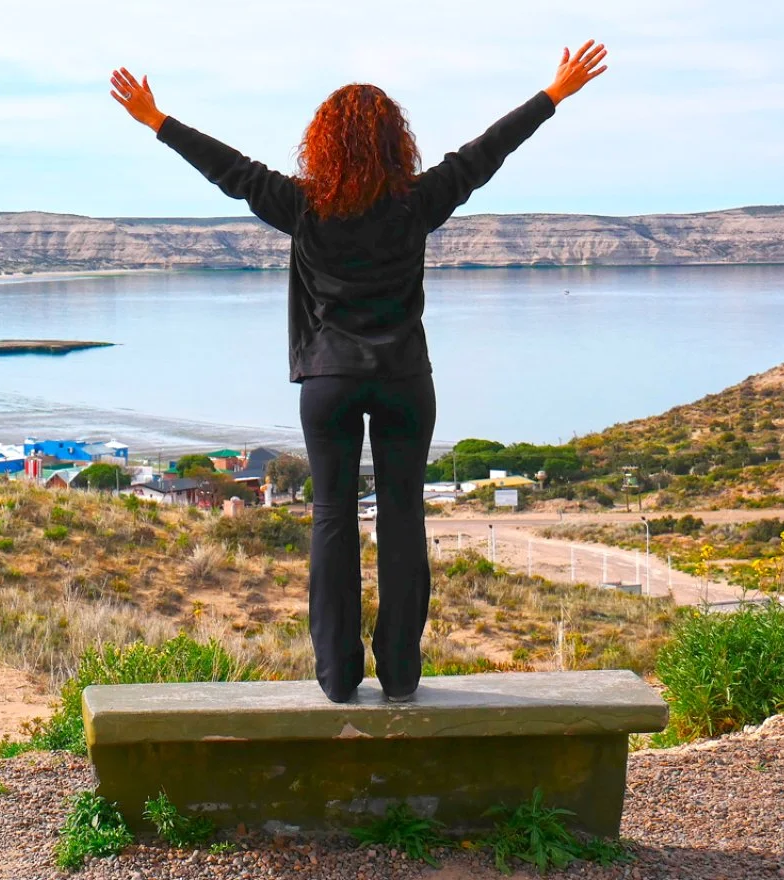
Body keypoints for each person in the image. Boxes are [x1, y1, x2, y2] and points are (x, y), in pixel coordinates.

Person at [109, 43, 608, 703]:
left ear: (322, 144)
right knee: (402, 517)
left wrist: (157, 120)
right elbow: (484, 154)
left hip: (329, 381)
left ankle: (338, 677)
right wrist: (552, 95)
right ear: (396, 143)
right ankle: (399, 674)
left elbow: (231, 171)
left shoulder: (302, 206)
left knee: (331, 517)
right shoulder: (417, 202)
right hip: (404, 380)